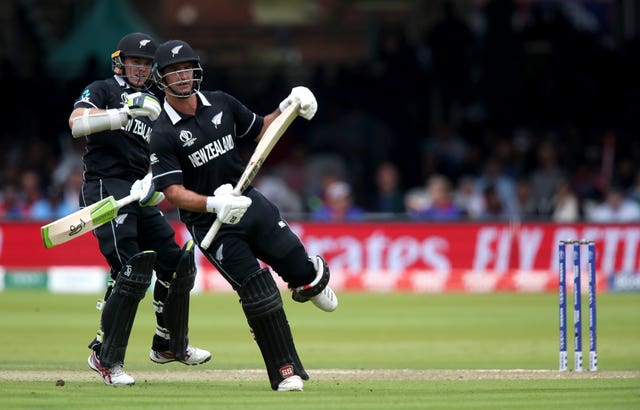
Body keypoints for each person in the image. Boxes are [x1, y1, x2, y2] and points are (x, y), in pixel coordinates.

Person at [149, 39, 338, 392]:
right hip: (213, 225)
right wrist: (212, 204)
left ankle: (311, 281)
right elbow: (171, 192)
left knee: (296, 264)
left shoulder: (221, 102)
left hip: (250, 201)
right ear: (161, 78)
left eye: (186, 67)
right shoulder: (161, 132)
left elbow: (262, 128)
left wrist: (290, 106)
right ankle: (285, 372)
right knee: (259, 291)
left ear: (196, 69)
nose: (182, 75)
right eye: (173, 70)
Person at [67, 33, 211, 386]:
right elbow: (77, 124)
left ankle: (168, 344)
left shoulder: (155, 101)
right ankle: (106, 358)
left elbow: (161, 151)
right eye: (136, 62)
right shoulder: (102, 89)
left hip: (137, 189)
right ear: (120, 61)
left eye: (147, 64)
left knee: (176, 263)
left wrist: (153, 182)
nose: (142, 68)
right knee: (131, 268)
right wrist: (121, 113)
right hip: (105, 186)